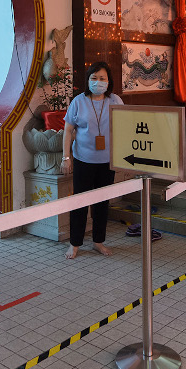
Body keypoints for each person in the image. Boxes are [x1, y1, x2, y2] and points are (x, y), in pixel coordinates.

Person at [61, 61, 124, 259]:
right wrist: (66, 158)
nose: (98, 82)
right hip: (82, 160)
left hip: (107, 162)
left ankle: (98, 242)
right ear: (88, 80)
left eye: (102, 78)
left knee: (102, 204)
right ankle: (75, 243)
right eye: (94, 78)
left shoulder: (115, 100)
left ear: (109, 81)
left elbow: (125, 127)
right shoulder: (78, 102)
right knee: (80, 202)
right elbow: (68, 130)